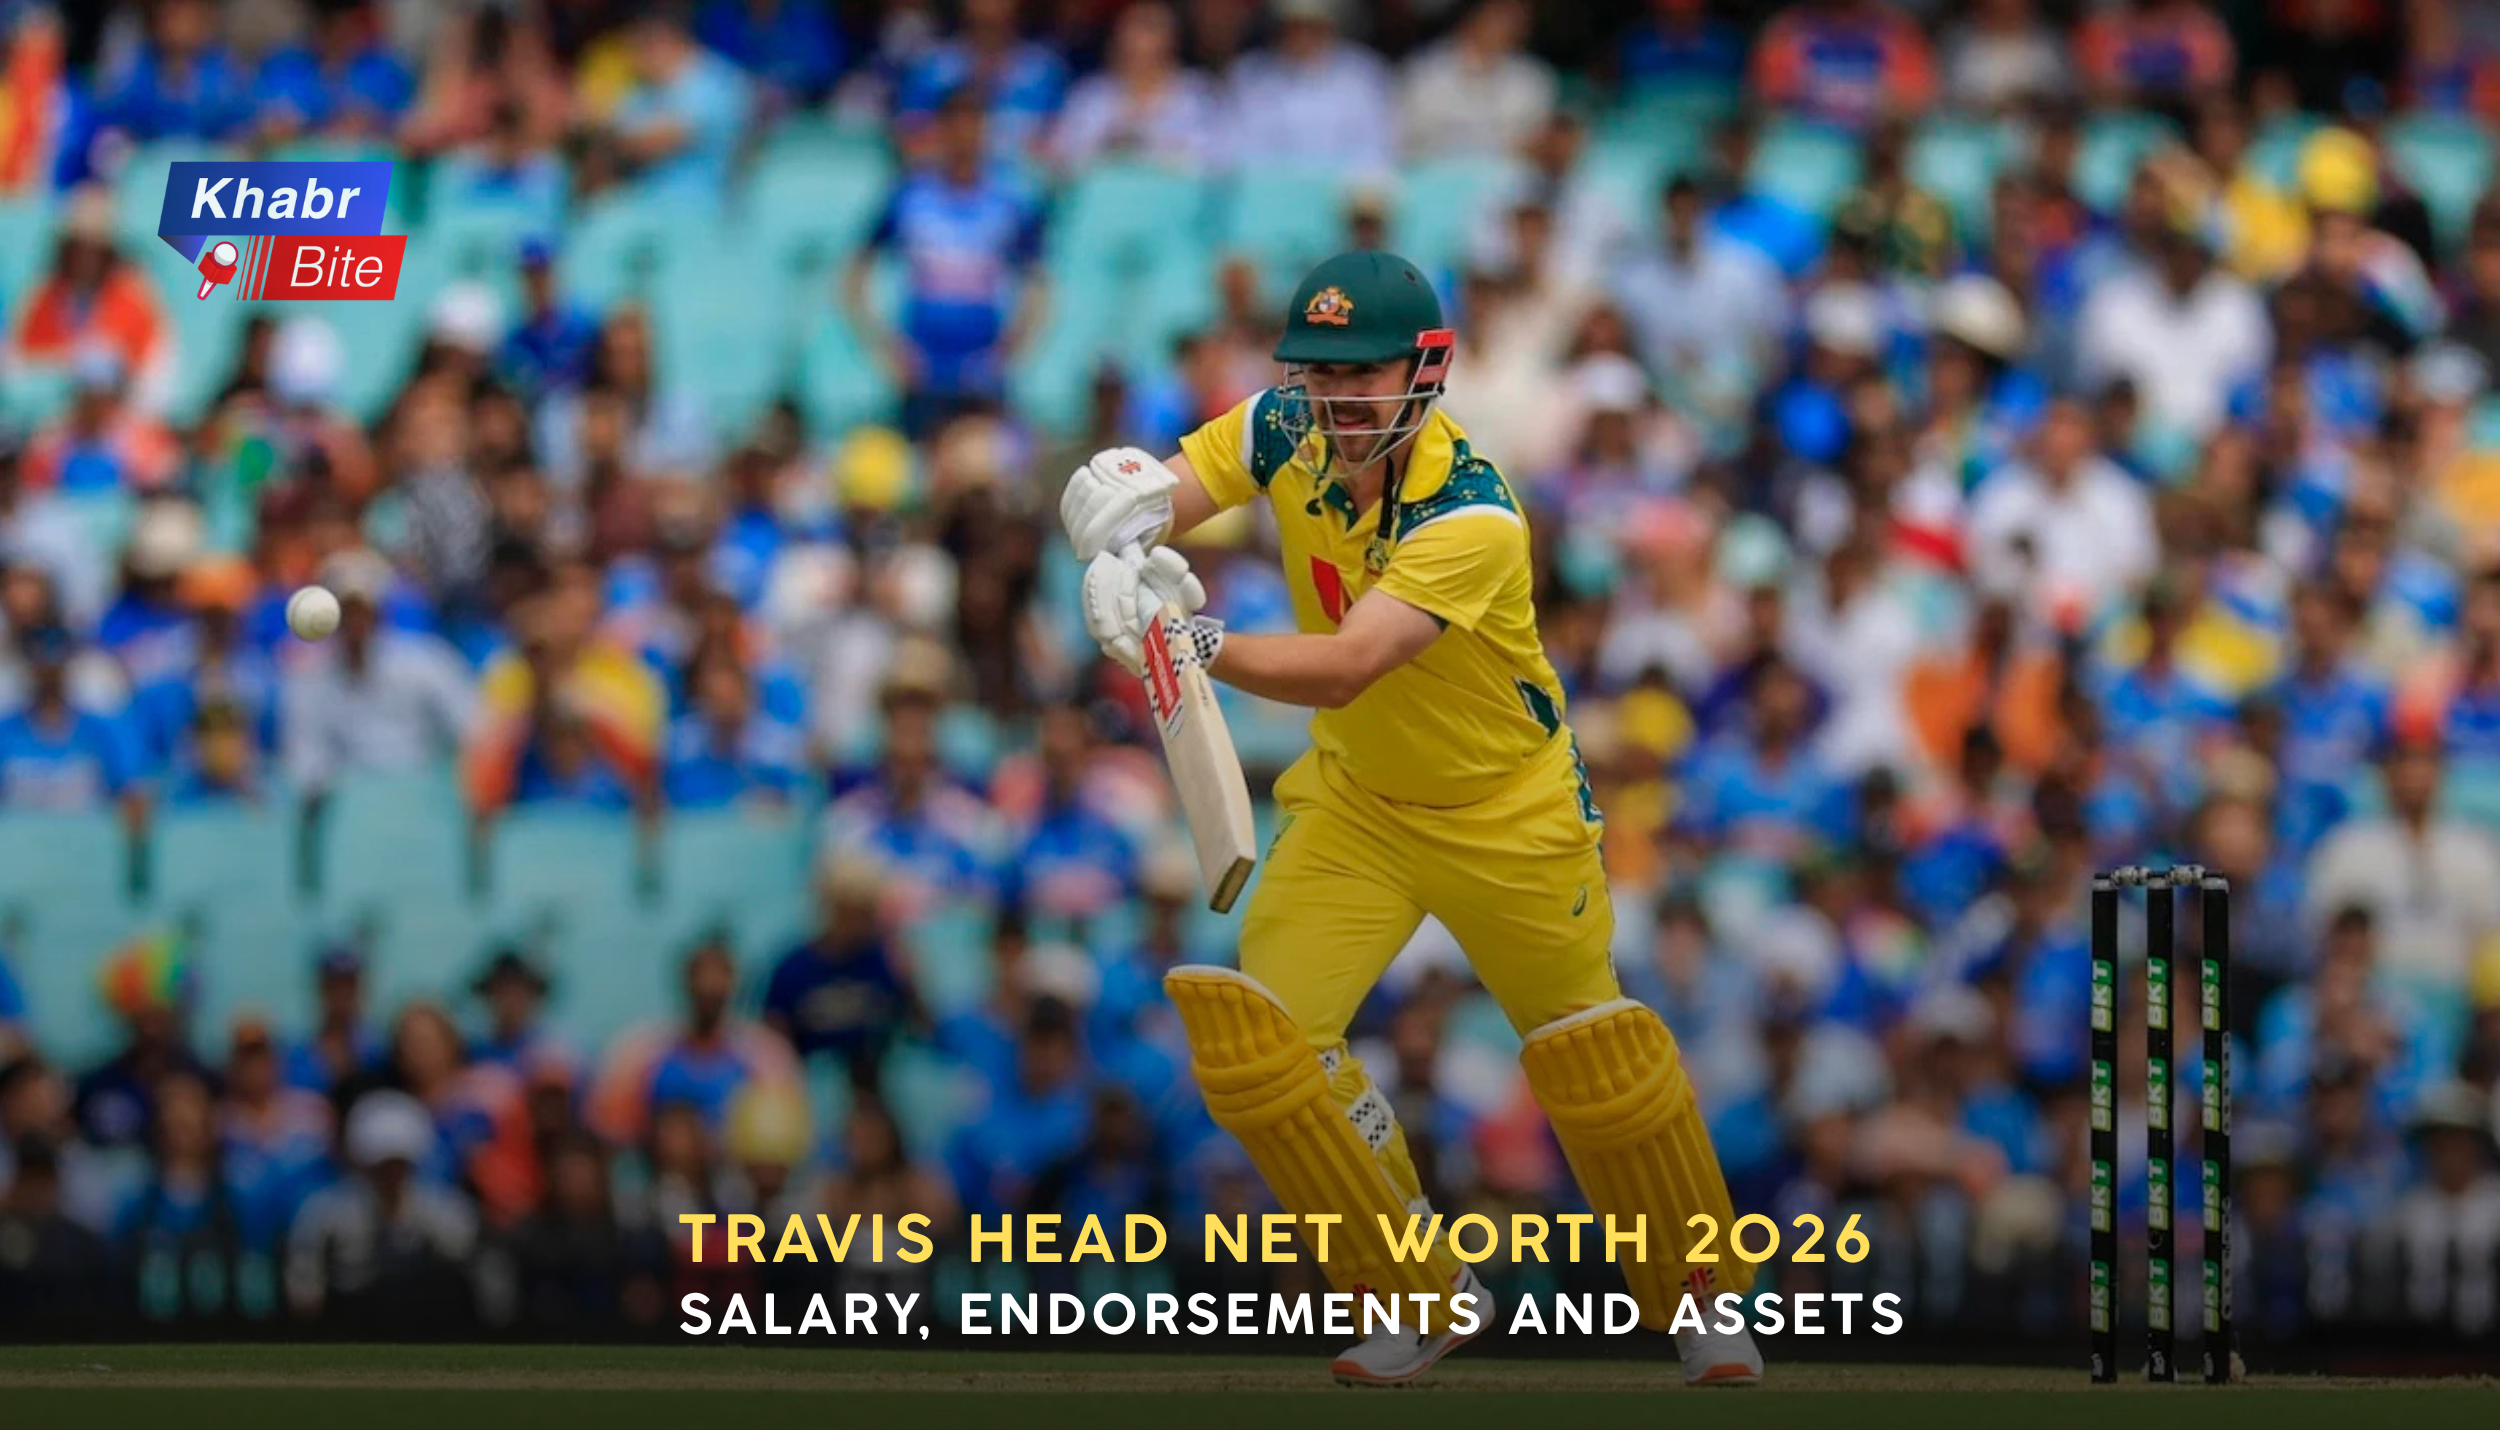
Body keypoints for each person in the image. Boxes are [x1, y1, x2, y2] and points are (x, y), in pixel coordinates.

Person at [1055, 249, 1761, 1386]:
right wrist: (1118, 532)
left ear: (1426, 371)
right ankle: (1413, 1289)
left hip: (1509, 814)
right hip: (1357, 808)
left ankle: (1701, 1298)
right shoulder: (1284, 423)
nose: (1336, 398)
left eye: (1363, 373)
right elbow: (1167, 496)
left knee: (1594, 1056)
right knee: (1267, 1042)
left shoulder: (1474, 514)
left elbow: (1349, 665)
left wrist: (1192, 638)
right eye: (1317, 371)